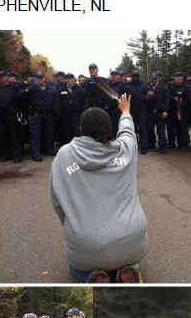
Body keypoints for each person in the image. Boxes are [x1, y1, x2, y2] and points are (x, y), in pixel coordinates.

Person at [51, 94, 147, 283]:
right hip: (131, 237)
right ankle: (127, 270)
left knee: (78, 267)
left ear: (80, 129)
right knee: (126, 256)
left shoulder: (64, 155)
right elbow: (127, 131)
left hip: (86, 242)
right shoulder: (126, 149)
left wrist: (74, 226)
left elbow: (57, 203)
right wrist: (125, 111)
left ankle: (94, 277)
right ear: (110, 129)